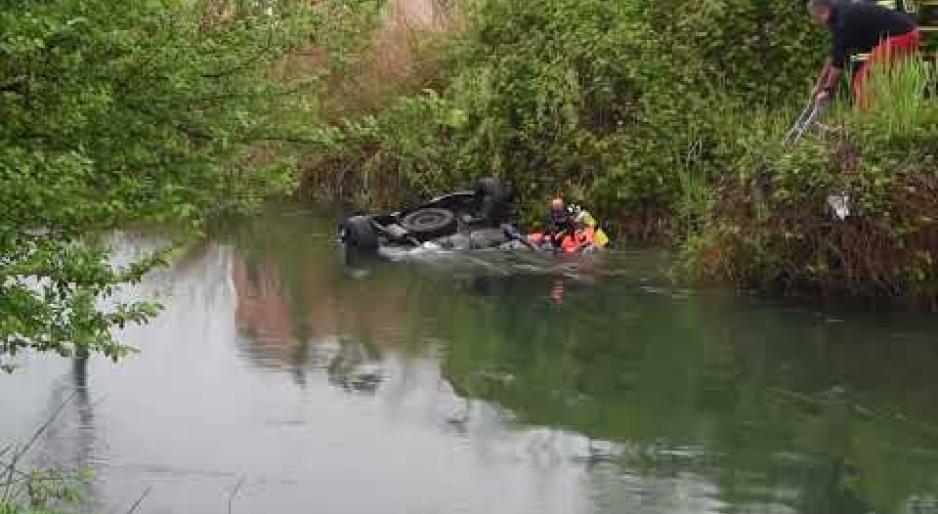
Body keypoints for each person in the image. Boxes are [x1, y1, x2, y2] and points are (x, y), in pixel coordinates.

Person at [807, 0, 919, 107]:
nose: (817, 23)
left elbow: (838, 64)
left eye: (816, 18)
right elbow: (834, 54)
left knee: (865, 81)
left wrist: (828, 90)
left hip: (902, 37)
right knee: (874, 81)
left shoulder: (843, 22)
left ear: (823, 13)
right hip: (903, 35)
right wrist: (819, 85)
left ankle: (868, 116)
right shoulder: (839, 13)